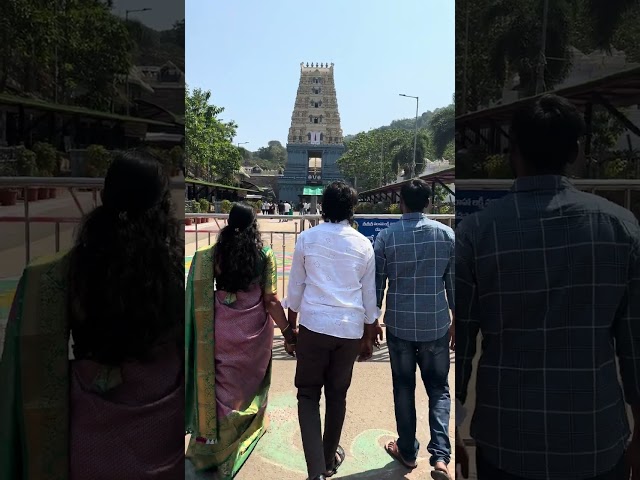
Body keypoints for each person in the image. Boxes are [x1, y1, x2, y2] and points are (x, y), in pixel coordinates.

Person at [456, 94, 640, 480]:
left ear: (512, 151)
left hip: (506, 437)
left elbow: (462, 339)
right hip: (595, 436)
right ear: (574, 152)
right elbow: (634, 342)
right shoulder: (621, 227)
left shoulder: (476, 233)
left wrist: (450, 429)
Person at [0, 150, 184, 479]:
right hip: (165, 424)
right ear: (162, 205)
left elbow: (32, 361)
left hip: (90, 423)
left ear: (103, 196)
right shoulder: (176, 269)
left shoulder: (62, 273)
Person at [185, 203, 295, 479]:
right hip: (253, 332)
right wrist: (288, 331)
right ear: (253, 225)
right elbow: (270, 300)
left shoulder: (214, 255)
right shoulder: (264, 254)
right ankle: (241, 434)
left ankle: (211, 445)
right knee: (247, 386)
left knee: (221, 384)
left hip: (220, 326)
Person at [283, 181, 379, 480]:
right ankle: (327, 460)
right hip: (349, 330)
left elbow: (296, 287)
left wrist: (290, 329)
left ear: (323, 207)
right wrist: (368, 335)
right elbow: (369, 297)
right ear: (353, 210)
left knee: (308, 396)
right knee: (338, 395)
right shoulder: (364, 244)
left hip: (314, 326)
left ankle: (316, 473)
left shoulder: (307, 239)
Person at [374, 179, 454, 480]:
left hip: (400, 325)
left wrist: (372, 322)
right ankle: (441, 458)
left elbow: (377, 284)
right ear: (429, 204)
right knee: (439, 389)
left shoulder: (386, 237)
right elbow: (452, 282)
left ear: (401, 203)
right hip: (435, 325)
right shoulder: (446, 234)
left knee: (404, 387)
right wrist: (456, 320)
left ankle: (407, 451)